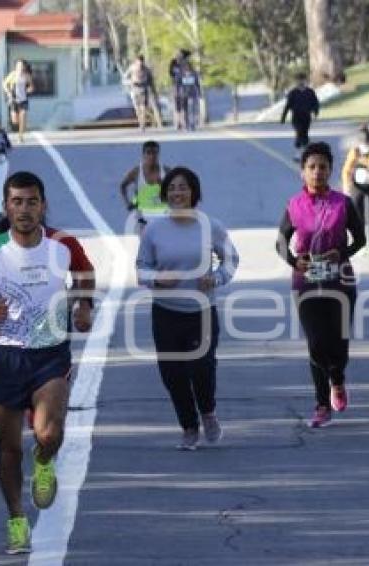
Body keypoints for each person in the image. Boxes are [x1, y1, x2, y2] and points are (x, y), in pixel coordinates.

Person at [0, 171, 95, 554]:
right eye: (17, 202)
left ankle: (44, 461)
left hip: (50, 354)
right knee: (7, 451)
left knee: (48, 434)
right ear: (6, 207)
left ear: (43, 205)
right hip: (6, 358)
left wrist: (85, 305)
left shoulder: (63, 244)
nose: (24, 209)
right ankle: (16, 518)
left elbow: (85, 274)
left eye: (31, 201)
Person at [136, 167, 239, 451]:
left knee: (201, 368)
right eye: (172, 188)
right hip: (166, 312)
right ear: (165, 194)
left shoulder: (211, 226)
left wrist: (216, 278)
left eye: (183, 188)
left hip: (202, 311)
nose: (177, 193)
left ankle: (207, 411)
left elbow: (231, 259)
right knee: (172, 373)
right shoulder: (154, 229)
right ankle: (189, 426)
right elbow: (141, 268)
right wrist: (157, 278)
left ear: (194, 192)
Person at [276, 142, 365, 428]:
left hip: (340, 282)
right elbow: (280, 242)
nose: (317, 172)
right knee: (316, 344)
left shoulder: (343, 203)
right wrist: (294, 261)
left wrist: (342, 253)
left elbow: (360, 239)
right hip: (307, 283)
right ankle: (321, 405)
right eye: (311, 167)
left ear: (330, 170)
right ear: (302, 172)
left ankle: (337, 380)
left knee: (338, 344)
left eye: (323, 167)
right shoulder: (294, 205)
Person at [341, 123, 369, 255]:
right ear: (360, 142)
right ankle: (360, 244)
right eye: (363, 145)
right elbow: (347, 170)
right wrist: (346, 186)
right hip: (357, 188)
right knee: (358, 217)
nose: (366, 149)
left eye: (367, 145)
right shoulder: (354, 152)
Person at [119, 140, 170, 229]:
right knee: (145, 239)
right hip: (142, 217)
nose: (152, 156)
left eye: (155, 153)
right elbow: (123, 186)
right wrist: (128, 202)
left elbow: (176, 193)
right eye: (148, 153)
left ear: (158, 154)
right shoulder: (136, 172)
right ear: (143, 155)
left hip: (162, 215)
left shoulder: (166, 171)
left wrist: (164, 188)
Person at [280, 73, 320, 161]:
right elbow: (288, 105)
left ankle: (305, 153)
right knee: (299, 133)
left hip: (306, 116)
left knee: (305, 134)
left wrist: (316, 112)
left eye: (302, 80)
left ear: (305, 81)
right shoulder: (293, 93)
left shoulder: (310, 92)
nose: (300, 82)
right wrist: (283, 117)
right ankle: (298, 154)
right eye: (298, 80)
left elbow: (315, 103)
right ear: (296, 82)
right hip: (296, 117)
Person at [125, 55, 160, 132]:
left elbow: (151, 81)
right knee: (137, 109)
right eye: (138, 61)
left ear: (143, 61)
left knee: (143, 108)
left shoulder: (147, 69)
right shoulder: (132, 68)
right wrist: (130, 83)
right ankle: (140, 122)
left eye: (141, 61)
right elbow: (125, 78)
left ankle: (143, 125)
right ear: (136, 61)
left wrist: (154, 92)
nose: (140, 63)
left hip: (143, 90)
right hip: (134, 90)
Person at [169, 49, 202, 131]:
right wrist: (176, 90)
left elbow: (197, 82)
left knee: (193, 108)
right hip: (183, 93)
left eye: (188, 65)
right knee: (185, 109)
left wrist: (199, 92)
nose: (187, 66)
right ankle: (185, 124)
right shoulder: (179, 71)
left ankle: (192, 123)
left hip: (192, 92)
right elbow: (176, 81)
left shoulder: (193, 73)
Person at [2, 59, 34, 143]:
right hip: (13, 99)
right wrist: (8, 92)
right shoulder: (13, 75)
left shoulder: (27, 76)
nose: (20, 67)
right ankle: (18, 125)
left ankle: (20, 136)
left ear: (23, 67)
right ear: (16, 66)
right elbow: (4, 84)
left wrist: (29, 89)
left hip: (23, 99)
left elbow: (31, 86)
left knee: (23, 116)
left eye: (21, 65)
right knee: (15, 121)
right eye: (18, 65)